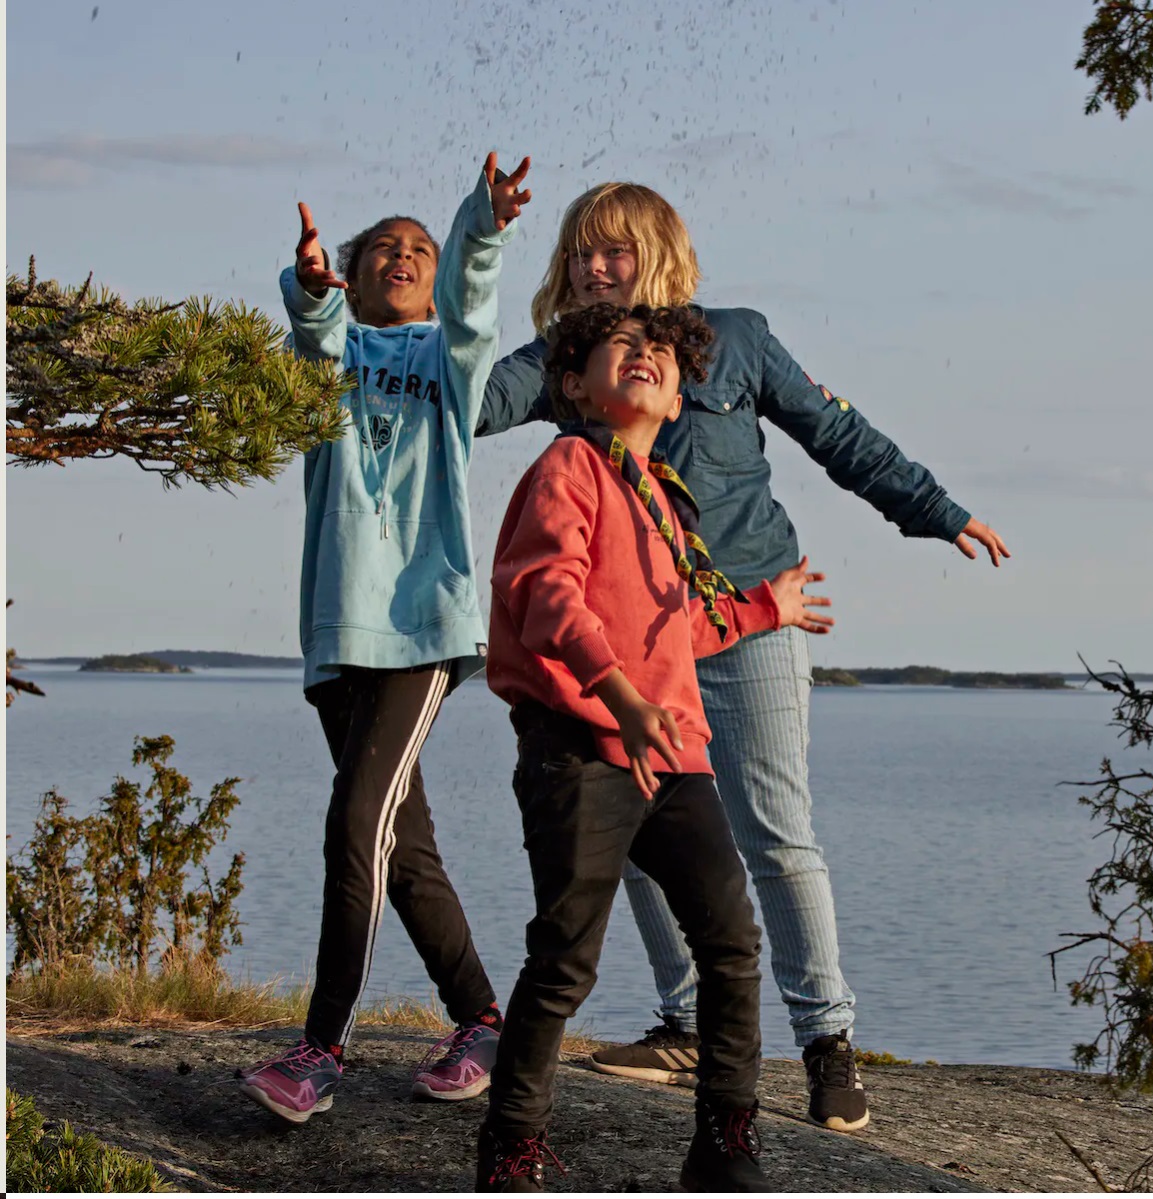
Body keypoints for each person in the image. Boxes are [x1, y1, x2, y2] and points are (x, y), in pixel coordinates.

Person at [475, 182, 1010, 1132]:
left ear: (659, 251)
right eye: (580, 255)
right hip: (630, 642)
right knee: (632, 844)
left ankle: (826, 1041)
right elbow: (470, 401)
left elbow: (837, 433)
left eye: (615, 252)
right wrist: (387, 367)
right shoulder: (566, 360)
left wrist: (937, 511)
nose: (595, 270)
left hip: (749, 619)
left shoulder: (737, 338)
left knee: (773, 830)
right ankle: (686, 1022)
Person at [476, 303, 835, 1192]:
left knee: (730, 940)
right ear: (573, 386)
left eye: (662, 355)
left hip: (673, 756)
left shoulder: (667, 503)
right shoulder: (570, 464)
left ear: (678, 400)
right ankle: (510, 1148)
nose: (646, 357)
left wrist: (764, 611)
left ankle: (726, 1141)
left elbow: (679, 636)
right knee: (566, 956)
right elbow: (544, 593)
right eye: (621, 347)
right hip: (581, 747)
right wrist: (618, 697)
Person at [237, 152, 533, 1124]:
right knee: (403, 847)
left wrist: (480, 229)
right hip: (336, 633)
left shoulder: (449, 360)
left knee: (354, 822)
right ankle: (484, 1019)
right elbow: (314, 330)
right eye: (384, 248)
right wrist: (308, 288)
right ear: (355, 271)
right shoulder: (326, 364)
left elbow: (474, 301)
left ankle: (320, 1048)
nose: (403, 257)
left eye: (421, 249)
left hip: (420, 630)